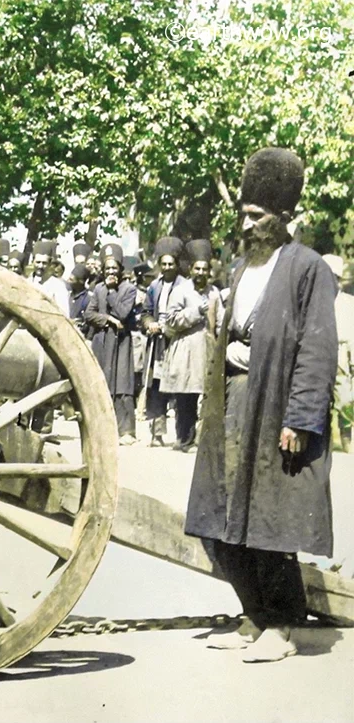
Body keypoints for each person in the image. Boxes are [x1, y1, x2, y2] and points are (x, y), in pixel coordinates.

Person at [187, 148, 338, 663]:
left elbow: (317, 349)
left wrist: (300, 417)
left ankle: (284, 624)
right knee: (226, 518)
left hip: (275, 407)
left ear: (284, 216)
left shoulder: (307, 269)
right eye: (244, 214)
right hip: (231, 403)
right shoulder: (240, 268)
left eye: (258, 215)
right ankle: (253, 614)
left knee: (271, 521)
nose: (247, 223)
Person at [157, 238, 216, 451]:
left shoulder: (214, 292)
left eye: (204, 269)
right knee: (185, 397)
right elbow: (170, 320)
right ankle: (184, 439)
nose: (200, 272)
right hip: (185, 350)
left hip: (207, 350)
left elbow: (219, 321)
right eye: (197, 269)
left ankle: (201, 439)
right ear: (190, 269)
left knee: (205, 397)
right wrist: (194, 313)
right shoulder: (181, 291)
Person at [141, 237, 193, 447]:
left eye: (171, 264)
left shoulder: (186, 286)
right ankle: (157, 433)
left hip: (176, 341)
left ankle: (184, 435)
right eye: (163, 264)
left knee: (179, 387)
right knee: (155, 387)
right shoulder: (154, 286)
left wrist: (170, 327)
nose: (167, 268)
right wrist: (150, 323)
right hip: (157, 345)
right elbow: (146, 312)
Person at [83, 244, 138, 444]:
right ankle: (102, 429)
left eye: (115, 268)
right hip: (102, 341)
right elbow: (89, 314)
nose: (111, 272)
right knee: (103, 382)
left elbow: (123, 313)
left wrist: (113, 293)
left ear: (121, 269)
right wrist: (108, 319)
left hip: (121, 342)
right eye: (108, 269)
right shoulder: (98, 289)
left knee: (122, 383)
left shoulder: (129, 289)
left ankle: (126, 431)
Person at [30, 241, 70, 316]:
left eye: (44, 263)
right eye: (38, 262)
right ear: (33, 262)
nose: (40, 266)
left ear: (49, 264)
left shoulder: (58, 286)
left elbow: (64, 313)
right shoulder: (27, 282)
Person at [68, 263, 91, 332]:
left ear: (81, 281)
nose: (68, 281)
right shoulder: (67, 294)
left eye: (71, 280)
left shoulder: (88, 299)